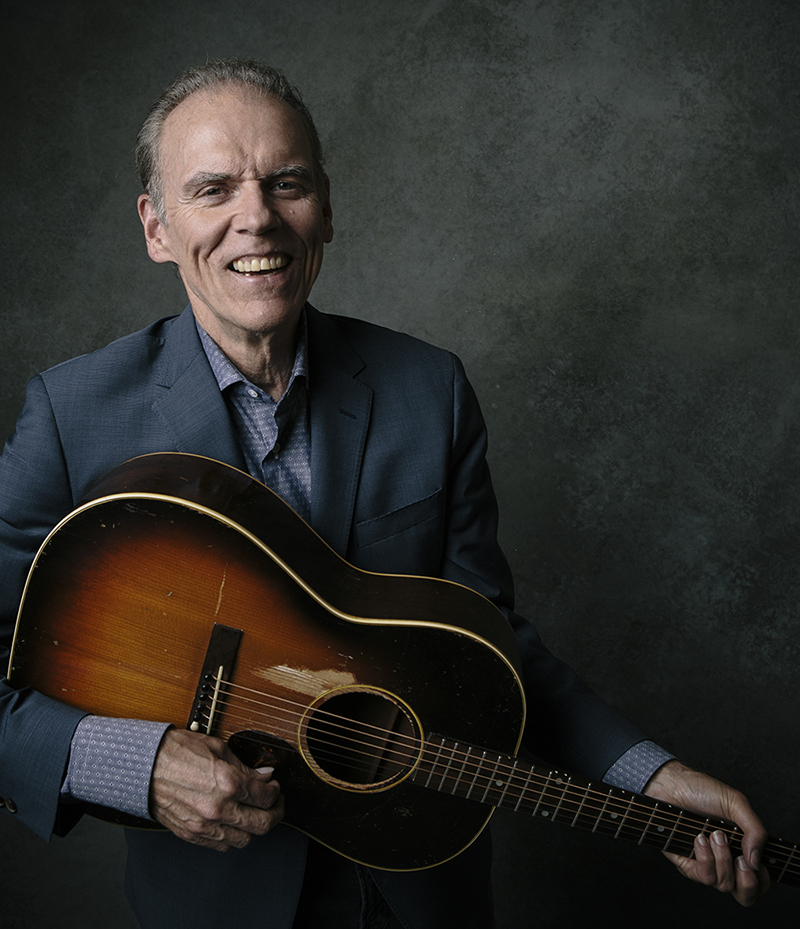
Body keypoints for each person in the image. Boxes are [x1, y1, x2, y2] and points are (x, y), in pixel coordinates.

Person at [0, 59, 771, 928]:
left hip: (422, 899)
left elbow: (490, 652)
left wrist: (653, 782)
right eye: (212, 189)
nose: (255, 216)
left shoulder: (427, 390)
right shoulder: (71, 415)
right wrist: (134, 763)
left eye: (284, 182)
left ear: (324, 205)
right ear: (157, 226)